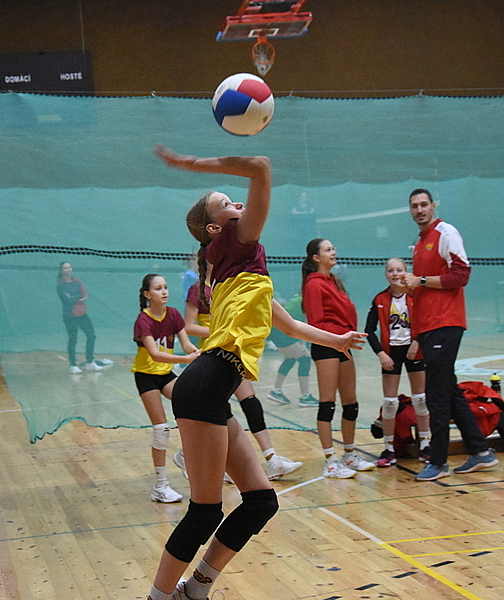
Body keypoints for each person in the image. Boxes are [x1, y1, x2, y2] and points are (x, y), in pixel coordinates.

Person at [147, 145, 364, 600]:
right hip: (206, 383)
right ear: (216, 227)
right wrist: (190, 164)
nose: (238, 204)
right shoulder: (233, 242)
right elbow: (261, 167)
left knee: (261, 501)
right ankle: (158, 598)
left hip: (214, 386)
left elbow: (290, 325)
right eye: (226, 203)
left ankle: (195, 590)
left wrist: (337, 340)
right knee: (205, 511)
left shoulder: (243, 269)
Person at [402, 189, 498, 482]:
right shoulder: (419, 243)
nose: (419, 210)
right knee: (450, 391)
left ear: (433, 206)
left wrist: (419, 280)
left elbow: (461, 275)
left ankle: (439, 462)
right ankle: (481, 452)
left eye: (424, 205)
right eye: (414, 206)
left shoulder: (446, 233)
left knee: (437, 395)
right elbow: (423, 290)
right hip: (429, 327)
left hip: (446, 323)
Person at [177, 277, 303, 482]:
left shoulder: (234, 283)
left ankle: (272, 459)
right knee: (215, 412)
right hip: (212, 355)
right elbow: (189, 326)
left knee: (250, 402)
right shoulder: (198, 289)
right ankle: (188, 455)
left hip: (235, 354)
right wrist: (222, 332)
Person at [302, 238, 376, 479]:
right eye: (328, 250)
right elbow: (315, 323)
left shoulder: (334, 282)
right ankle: (330, 461)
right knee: (327, 403)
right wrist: (337, 338)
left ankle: (349, 454)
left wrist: (347, 337)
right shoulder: (314, 284)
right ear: (316, 258)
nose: (333, 252)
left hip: (343, 344)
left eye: (333, 248)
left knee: (350, 403)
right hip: (326, 346)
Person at [132, 273, 201, 503]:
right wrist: (185, 360)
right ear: (147, 294)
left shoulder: (172, 314)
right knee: (161, 429)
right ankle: (160, 486)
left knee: (195, 407)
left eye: (166, 287)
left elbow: (186, 344)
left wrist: (197, 352)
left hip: (166, 375)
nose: (164, 292)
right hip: (146, 377)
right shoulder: (143, 320)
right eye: (158, 288)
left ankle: (184, 456)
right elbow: (154, 354)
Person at [364, 258, 430, 468]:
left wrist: (417, 342)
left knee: (420, 399)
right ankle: (389, 449)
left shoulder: (416, 295)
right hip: (391, 353)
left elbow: (427, 322)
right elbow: (369, 330)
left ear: (406, 272)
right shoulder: (380, 299)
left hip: (414, 350)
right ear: (386, 274)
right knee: (390, 403)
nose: (395, 273)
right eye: (391, 270)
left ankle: (426, 445)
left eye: (399, 270)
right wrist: (381, 354)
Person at [56, 262, 112, 374]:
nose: (68, 269)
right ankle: (73, 365)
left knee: (91, 335)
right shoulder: (60, 285)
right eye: (65, 268)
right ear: (61, 271)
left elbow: (84, 294)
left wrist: (75, 297)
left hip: (82, 314)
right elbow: (68, 300)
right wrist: (77, 297)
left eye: (69, 267)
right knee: (73, 339)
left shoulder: (76, 281)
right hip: (69, 315)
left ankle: (90, 361)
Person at [266, 293, 317, 406]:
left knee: (291, 358)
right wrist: (303, 344)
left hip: (276, 328)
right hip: (281, 330)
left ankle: (276, 391)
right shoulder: (308, 301)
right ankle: (305, 397)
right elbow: (305, 323)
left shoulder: (298, 297)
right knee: (304, 359)